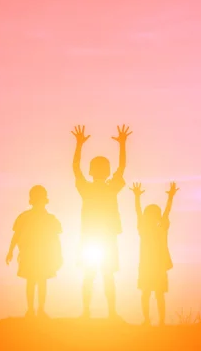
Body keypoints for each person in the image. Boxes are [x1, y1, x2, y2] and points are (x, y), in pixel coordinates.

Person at [71, 124, 131, 319]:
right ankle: (102, 312)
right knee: (104, 276)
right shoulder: (105, 188)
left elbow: (75, 169)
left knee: (98, 276)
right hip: (98, 237)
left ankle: (96, 312)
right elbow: (121, 168)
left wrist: (79, 145)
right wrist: (122, 145)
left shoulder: (89, 188)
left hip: (98, 237)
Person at [6, 185, 62, 319]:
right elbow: (17, 235)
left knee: (39, 281)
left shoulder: (49, 219)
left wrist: (58, 255)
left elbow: (55, 239)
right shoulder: (26, 217)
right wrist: (10, 251)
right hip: (30, 254)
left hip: (42, 255)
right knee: (33, 281)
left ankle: (39, 309)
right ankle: (32, 309)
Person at [131, 181, 178, 326]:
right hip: (155, 266)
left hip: (149, 266)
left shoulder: (145, 229)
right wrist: (170, 197)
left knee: (149, 294)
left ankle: (150, 320)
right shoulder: (159, 228)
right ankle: (158, 321)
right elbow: (165, 212)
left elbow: (139, 212)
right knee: (156, 294)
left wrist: (137, 197)